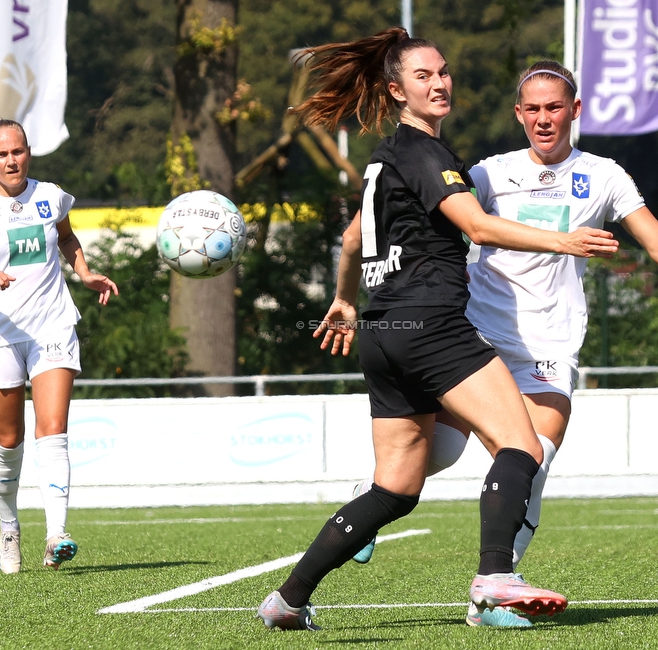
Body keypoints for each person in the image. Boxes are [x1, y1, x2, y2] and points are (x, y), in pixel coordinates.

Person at [350, 60, 658, 628]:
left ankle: (488, 599)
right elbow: (383, 216)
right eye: (531, 109)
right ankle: (372, 491)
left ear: (574, 110)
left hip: (549, 345)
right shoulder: (487, 173)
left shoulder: (604, 176)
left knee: (532, 466)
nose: (542, 119)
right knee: (442, 453)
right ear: (518, 115)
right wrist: (355, 282)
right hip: (475, 335)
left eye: (554, 107)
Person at [256, 30, 620, 631]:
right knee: (522, 445)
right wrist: (565, 239)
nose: (440, 83)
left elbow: (351, 241)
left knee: (395, 489)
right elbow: (476, 227)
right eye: (423, 76)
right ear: (397, 91)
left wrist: (346, 301)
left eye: (443, 72)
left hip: (382, 329)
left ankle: (288, 600)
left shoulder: (383, 158)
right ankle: (495, 577)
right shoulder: (425, 154)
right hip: (430, 326)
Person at [0, 118, 118, 575]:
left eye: (18, 151)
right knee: (8, 438)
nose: (11, 160)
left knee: (53, 429)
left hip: (52, 325)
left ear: (28, 152)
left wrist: (84, 271)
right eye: (1, 154)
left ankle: (56, 534)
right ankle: (9, 524)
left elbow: (66, 237)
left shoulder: (50, 194)